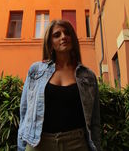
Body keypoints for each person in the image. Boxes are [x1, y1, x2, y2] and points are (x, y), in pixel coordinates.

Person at [18, 19, 101, 151]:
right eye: (57, 35)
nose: (63, 37)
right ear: (50, 43)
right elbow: (25, 112)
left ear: (72, 38)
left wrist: (96, 146)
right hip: (38, 143)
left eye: (67, 33)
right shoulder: (36, 70)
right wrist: (21, 146)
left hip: (76, 144)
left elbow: (95, 119)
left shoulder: (88, 76)